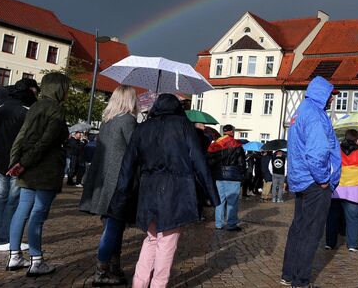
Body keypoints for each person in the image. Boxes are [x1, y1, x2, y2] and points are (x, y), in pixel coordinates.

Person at [108, 94, 219, 287]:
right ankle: (158, 284)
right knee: (167, 242)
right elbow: (199, 162)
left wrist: (121, 195)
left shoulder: (143, 128)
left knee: (151, 240)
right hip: (175, 190)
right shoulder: (184, 127)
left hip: (148, 189)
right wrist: (213, 195)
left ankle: (139, 283)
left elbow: (127, 165)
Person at [6, 72, 71, 276]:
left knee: (22, 210)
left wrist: (16, 161)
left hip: (29, 168)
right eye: (66, 88)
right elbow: (46, 141)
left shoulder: (35, 106)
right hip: (45, 169)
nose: (67, 92)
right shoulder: (56, 110)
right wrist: (22, 163)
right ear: (59, 88)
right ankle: (37, 261)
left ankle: (14, 256)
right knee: (38, 214)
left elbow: (22, 135)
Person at [280, 76, 341, 288]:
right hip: (315, 182)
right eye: (331, 95)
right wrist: (324, 179)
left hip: (301, 179)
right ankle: (301, 280)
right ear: (322, 94)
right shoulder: (315, 116)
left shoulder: (301, 111)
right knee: (311, 231)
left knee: (299, 227)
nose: (333, 100)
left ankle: (288, 273)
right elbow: (316, 154)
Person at [79, 85, 138, 286]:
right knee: (113, 227)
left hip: (104, 179)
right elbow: (135, 150)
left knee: (113, 225)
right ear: (129, 100)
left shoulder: (107, 121)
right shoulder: (128, 120)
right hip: (118, 181)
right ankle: (102, 271)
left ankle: (114, 267)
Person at [0, 79, 38, 252]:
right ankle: (5, 238)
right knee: (12, 200)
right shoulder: (26, 110)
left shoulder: (2, 107)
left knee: (0, 198)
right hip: (15, 160)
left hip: (1, 158)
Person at [325, 129, 358, 251]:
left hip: (336, 190)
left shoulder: (336, 152)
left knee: (332, 217)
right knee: (353, 219)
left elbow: (329, 167)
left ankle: (329, 243)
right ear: (357, 140)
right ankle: (353, 245)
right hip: (355, 191)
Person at [207, 124, 246, 231]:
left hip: (219, 176)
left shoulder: (216, 144)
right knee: (232, 203)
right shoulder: (236, 144)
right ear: (232, 132)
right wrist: (243, 175)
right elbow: (241, 162)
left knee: (220, 201)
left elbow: (211, 161)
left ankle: (218, 224)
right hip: (233, 176)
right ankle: (231, 224)